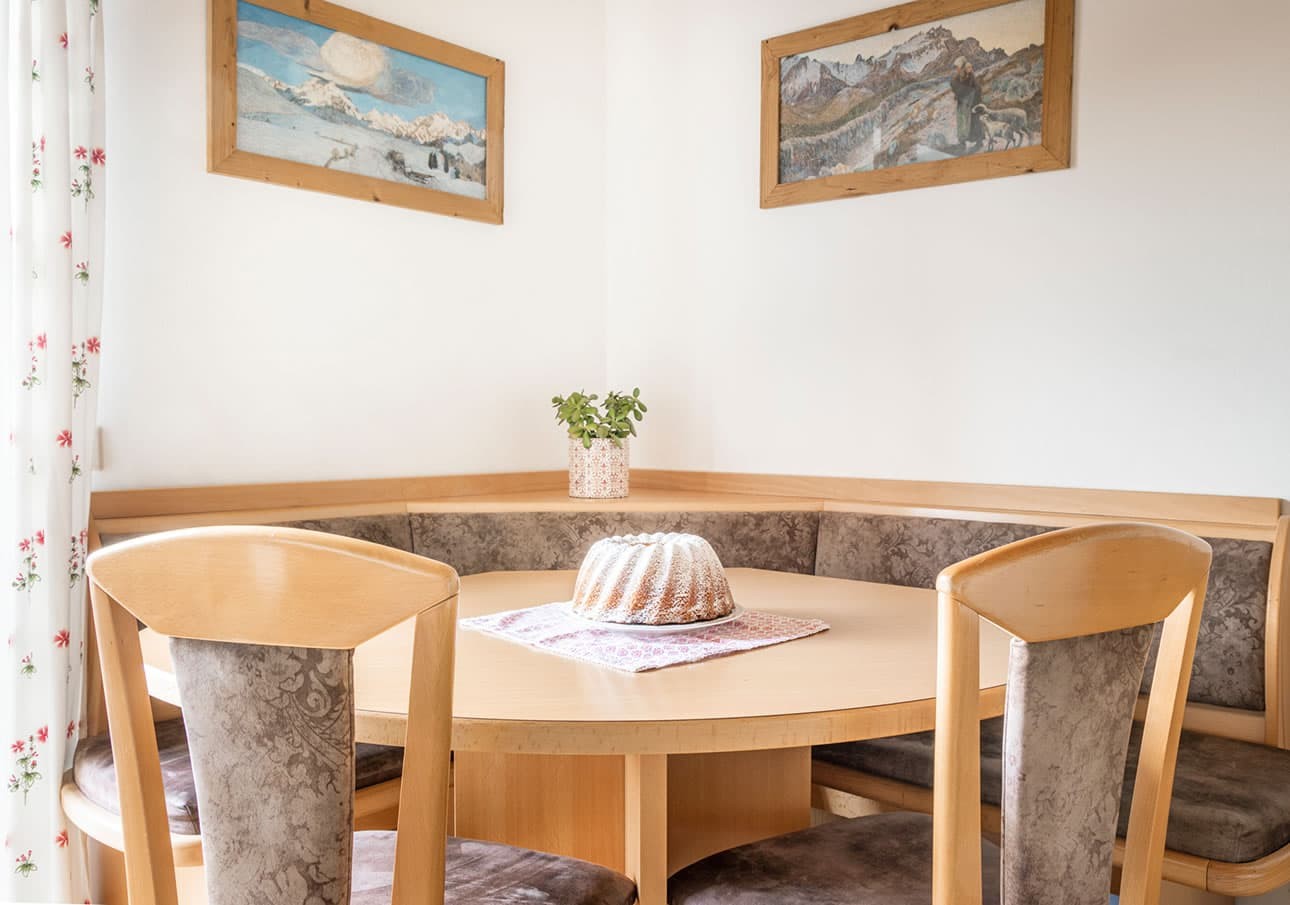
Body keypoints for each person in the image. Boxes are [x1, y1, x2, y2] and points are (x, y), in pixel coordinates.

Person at [949, 56, 984, 152]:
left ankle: (979, 142)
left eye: (958, 67)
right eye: (956, 67)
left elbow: (976, 89)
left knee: (974, 123)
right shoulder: (956, 77)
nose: (957, 69)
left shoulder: (971, 77)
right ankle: (962, 143)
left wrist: (973, 101)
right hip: (962, 105)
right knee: (961, 123)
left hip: (972, 104)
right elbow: (955, 86)